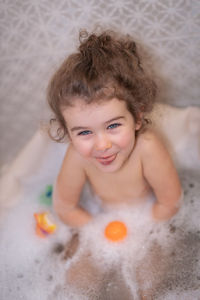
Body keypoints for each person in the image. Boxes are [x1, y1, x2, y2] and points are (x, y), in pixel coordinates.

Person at [47, 30, 182, 228]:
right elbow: (65, 208)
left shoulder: (147, 148)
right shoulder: (77, 156)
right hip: (100, 222)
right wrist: (100, 231)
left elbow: (170, 203)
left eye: (113, 125)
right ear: (67, 132)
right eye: (84, 132)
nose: (102, 145)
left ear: (137, 117)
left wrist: (138, 232)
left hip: (148, 220)